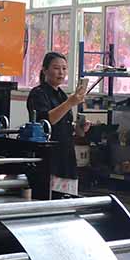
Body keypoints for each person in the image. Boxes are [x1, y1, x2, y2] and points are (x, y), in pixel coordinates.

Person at [27, 52, 91, 183]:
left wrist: (79, 128)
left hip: (66, 155)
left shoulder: (62, 95)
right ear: (45, 70)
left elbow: (64, 124)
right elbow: (46, 122)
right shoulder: (38, 93)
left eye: (64, 68)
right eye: (56, 68)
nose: (61, 72)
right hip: (48, 156)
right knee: (49, 192)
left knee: (67, 193)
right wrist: (70, 103)